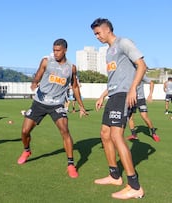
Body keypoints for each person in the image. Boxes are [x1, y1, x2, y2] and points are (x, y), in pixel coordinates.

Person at [17, 38, 88, 178]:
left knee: (65, 131)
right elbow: (38, 73)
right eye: (54, 50)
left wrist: (81, 106)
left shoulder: (71, 68)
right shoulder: (46, 61)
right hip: (39, 102)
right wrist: (34, 82)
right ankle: (26, 150)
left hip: (57, 104)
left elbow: (74, 86)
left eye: (58, 50)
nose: (55, 53)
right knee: (25, 131)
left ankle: (71, 164)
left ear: (65, 50)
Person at [92, 18, 145, 199]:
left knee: (116, 135)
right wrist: (102, 95)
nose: (97, 36)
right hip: (114, 95)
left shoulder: (124, 43)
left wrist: (133, 89)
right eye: (95, 34)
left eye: (98, 33)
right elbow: (115, 79)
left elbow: (142, 66)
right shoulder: (108, 52)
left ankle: (134, 186)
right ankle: (115, 175)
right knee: (104, 133)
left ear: (107, 30)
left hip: (124, 95)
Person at [127, 75, 160, 142]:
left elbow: (151, 83)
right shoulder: (128, 75)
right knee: (130, 117)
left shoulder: (140, 74)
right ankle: (134, 135)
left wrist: (150, 95)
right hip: (131, 99)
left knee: (144, 116)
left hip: (140, 99)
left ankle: (153, 133)